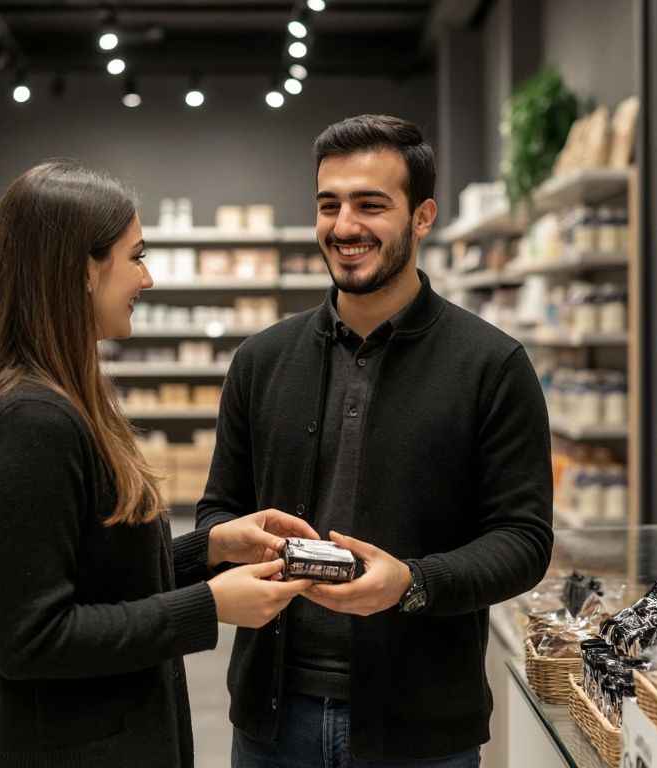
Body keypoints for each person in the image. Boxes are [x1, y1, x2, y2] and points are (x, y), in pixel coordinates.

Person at [0, 160, 318, 768]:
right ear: (83, 269)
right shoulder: (30, 422)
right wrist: (210, 606)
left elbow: (96, 576)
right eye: (136, 257)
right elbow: (30, 638)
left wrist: (210, 549)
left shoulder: (58, 398)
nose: (148, 278)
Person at [197, 115, 555, 766]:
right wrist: (239, 544)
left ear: (422, 217)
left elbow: (524, 541)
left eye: (371, 204)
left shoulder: (492, 365)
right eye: (329, 204)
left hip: (420, 727)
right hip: (272, 721)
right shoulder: (261, 360)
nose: (344, 226)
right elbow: (217, 512)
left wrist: (413, 583)